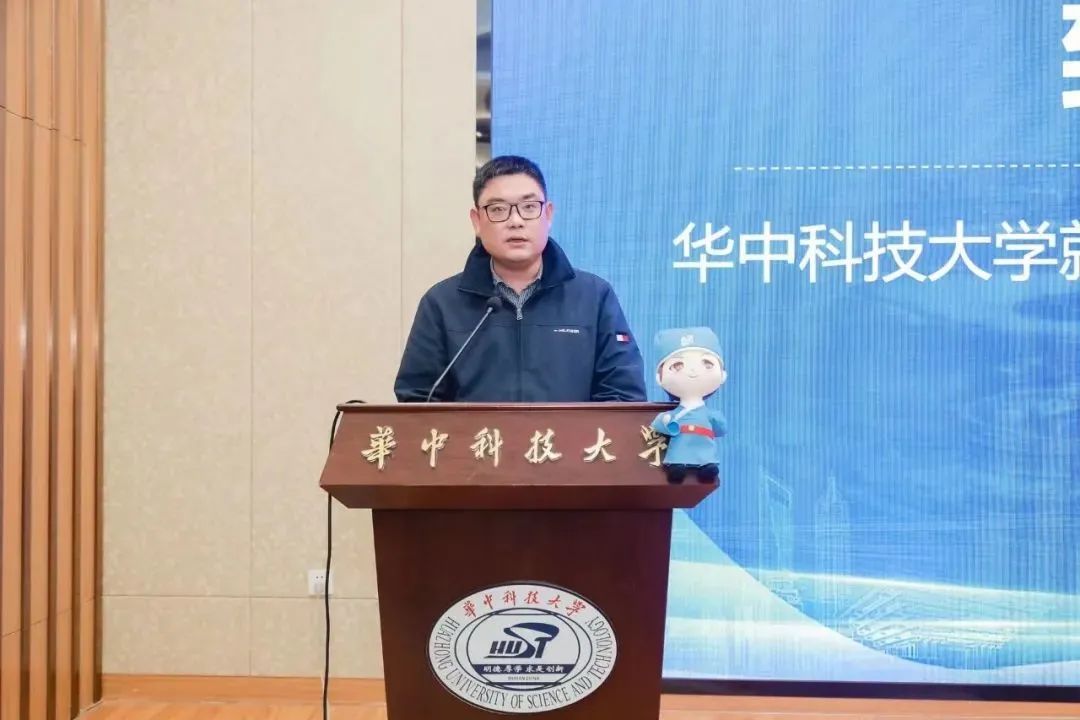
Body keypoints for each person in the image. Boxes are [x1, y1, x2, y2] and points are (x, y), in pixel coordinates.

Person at [394, 155, 647, 402]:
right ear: (477, 221)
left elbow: (622, 397)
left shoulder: (594, 297)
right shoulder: (441, 303)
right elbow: (418, 401)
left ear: (548, 214)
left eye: (529, 207)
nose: (515, 221)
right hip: (476, 434)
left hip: (572, 434)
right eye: (498, 209)